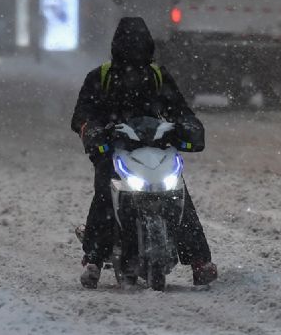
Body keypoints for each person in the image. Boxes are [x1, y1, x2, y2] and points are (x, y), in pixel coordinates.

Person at [70, 17, 217, 288]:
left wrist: (188, 126)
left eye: (139, 46)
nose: (134, 52)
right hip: (114, 150)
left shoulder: (158, 76)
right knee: (105, 191)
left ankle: (200, 261)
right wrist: (92, 131)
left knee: (178, 194)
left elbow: (180, 110)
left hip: (155, 149)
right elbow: (81, 115)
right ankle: (93, 260)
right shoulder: (100, 77)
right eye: (130, 46)